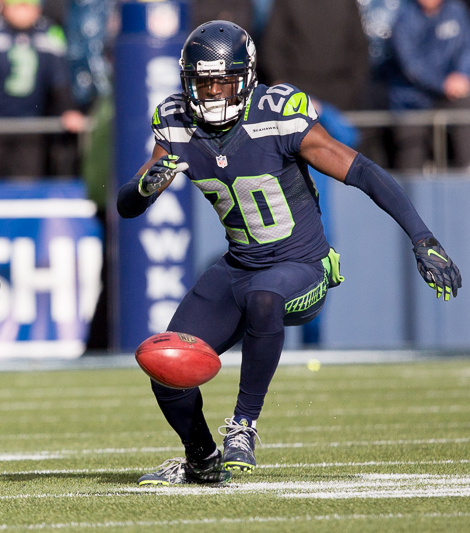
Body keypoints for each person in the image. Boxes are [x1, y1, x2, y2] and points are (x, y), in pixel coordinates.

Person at [117, 21, 462, 486]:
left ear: (247, 78)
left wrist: (421, 237)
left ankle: (244, 425)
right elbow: (128, 206)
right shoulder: (177, 123)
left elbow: (363, 172)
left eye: (223, 80)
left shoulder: (276, 113)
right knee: (167, 363)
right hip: (240, 263)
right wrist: (142, 189)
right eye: (203, 81)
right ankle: (201, 459)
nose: (214, 92)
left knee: (264, 296)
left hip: (303, 266)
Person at [0, 0, 85, 179]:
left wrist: (68, 110)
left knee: (27, 181)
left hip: (32, 127)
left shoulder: (50, 33)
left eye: (28, 6)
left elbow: (59, 79)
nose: (23, 13)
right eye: (18, 6)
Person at [389, 0, 470, 170]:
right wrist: (442, 84)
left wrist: (462, 76)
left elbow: (466, 48)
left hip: (452, 95)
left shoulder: (457, 11)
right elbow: (411, 66)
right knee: (411, 155)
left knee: (465, 116)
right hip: (411, 99)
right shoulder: (404, 18)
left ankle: (466, 177)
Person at [262, 0, 369, 112]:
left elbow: (359, 48)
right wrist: (283, 85)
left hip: (339, 90)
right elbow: (273, 46)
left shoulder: (346, 3)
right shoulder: (287, 3)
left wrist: (350, 90)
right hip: (297, 88)